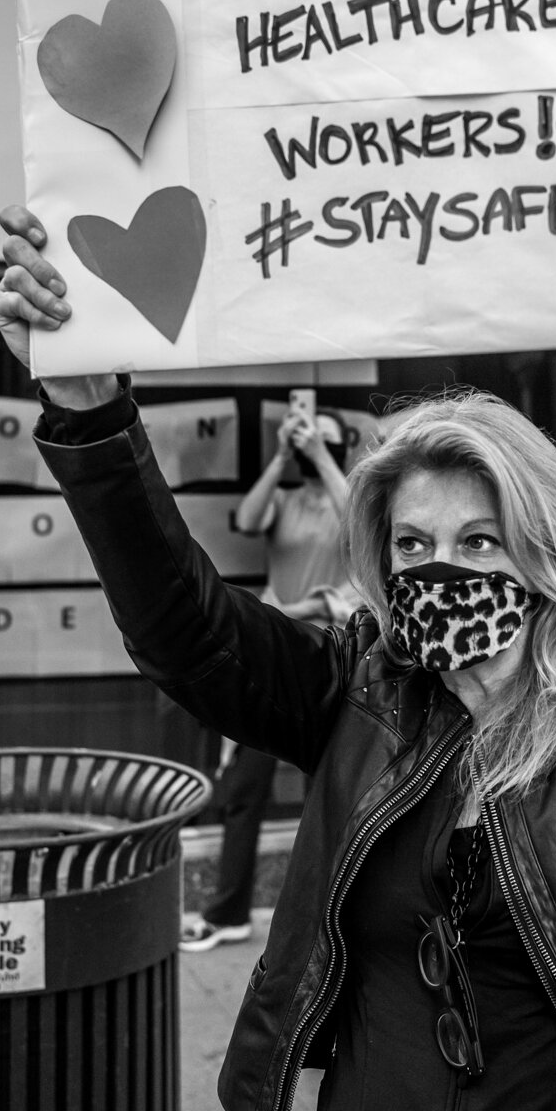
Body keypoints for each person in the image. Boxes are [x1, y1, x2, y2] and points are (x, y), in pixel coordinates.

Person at [0, 204, 556, 1111]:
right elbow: (187, 631)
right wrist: (90, 415)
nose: (439, 569)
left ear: (542, 553)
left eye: (479, 540)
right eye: (412, 543)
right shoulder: (354, 690)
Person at [181, 406, 361, 953]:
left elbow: (361, 524)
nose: (313, 451)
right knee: (243, 787)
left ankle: (330, 921)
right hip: (276, 649)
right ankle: (229, 911)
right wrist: (283, 454)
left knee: (326, 794)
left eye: (325, 443)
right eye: (310, 442)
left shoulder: (347, 496)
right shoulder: (286, 497)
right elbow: (248, 516)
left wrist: (321, 457)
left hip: (332, 653)